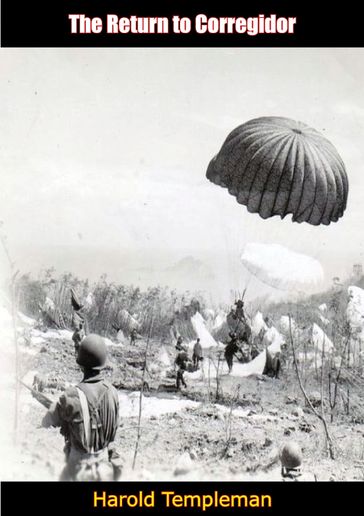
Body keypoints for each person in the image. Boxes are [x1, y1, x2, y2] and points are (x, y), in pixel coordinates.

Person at [42, 334, 122, 481]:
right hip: (105, 469)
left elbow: (48, 421)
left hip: (79, 471)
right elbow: (114, 428)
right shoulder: (113, 392)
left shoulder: (71, 395)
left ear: (81, 365)